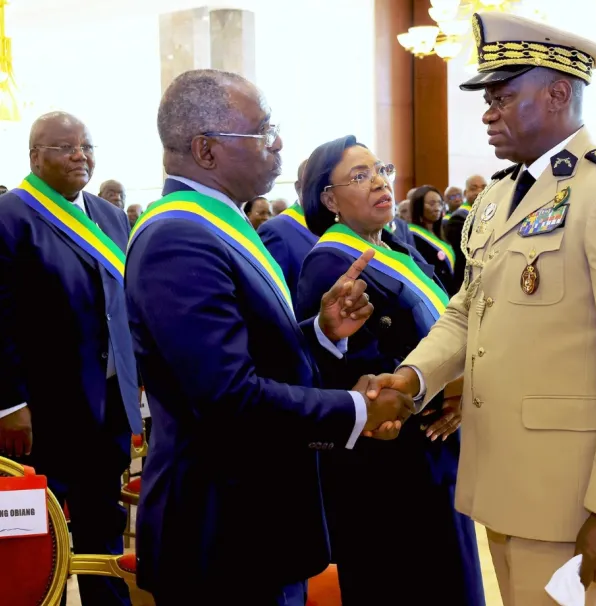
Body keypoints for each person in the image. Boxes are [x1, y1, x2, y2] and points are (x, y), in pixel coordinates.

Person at [369, 12, 596, 605]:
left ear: (559, 92)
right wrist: (413, 377)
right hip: (500, 474)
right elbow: (466, 310)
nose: (488, 112)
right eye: (489, 98)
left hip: (567, 492)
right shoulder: (497, 200)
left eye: (503, 96)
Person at [124, 69, 413, 606]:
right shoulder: (178, 238)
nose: (278, 143)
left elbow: (251, 356)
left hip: (254, 524)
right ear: (206, 150)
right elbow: (227, 397)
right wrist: (355, 411)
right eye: (263, 131)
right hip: (222, 535)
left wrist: (322, 332)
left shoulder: (218, 223)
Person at [296, 135, 484, 606]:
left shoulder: (397, 247)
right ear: (328, 198)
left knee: (449, 577)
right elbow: (343, 372)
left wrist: (462, 392)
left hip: (432, 451)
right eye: (360, 176)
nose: (379, 181)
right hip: (387, 467)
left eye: (380, 169)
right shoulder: (329, 264)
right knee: (404, 580)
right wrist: (448, 392)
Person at [0, 112, 142, 606]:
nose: (80, 155)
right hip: (42, 409)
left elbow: (124, 306)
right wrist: (8, 403)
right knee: (37, 536)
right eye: (65, 147)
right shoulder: (11, 216)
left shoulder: (110, 217)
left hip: (106, 402)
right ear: (35, 157)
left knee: (102, 523)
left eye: (86, 145)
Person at [259, 159, 318, 304]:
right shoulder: (276, 231)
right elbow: (270, 301)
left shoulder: (344, 222)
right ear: (299, 187)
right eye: (318, 183)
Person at [408, 185, 457, 295]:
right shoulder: (411, 235)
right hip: (433, 294)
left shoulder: (442, 231)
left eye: (440, 203)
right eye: (431, 203)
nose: (437, 207)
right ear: (418, 206)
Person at [446, 173, 486, 285]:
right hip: (468, 278)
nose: (479, 191)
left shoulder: (489, 213)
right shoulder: (458, 218)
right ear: (465, 193)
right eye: (474, 188)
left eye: (484, 187)